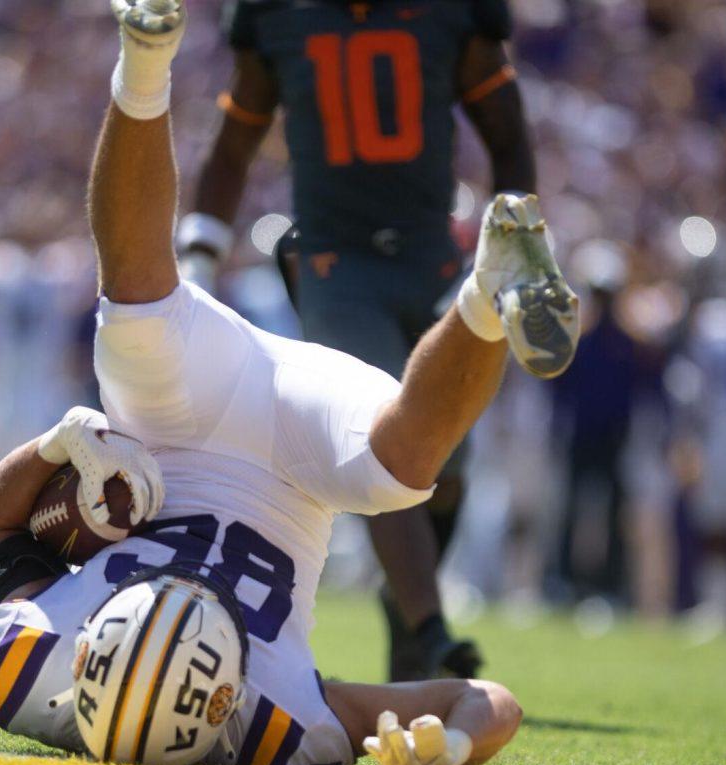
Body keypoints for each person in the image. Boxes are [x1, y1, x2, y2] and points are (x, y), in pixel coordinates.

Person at [0, 0, 577, 765]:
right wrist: (449, 747)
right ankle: (489, 295)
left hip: (178, 423)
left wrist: (56, 444)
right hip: (303, 456)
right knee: (398, 473)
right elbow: (487, 698)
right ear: (225, 704)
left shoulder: (21, 672)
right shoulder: (284, 729)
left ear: (88, 649)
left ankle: (144, 58)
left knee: (136, 320)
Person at [179, 0, 540, 681]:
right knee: (384, 431)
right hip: (333, 264)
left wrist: (516, 243)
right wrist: (198, 257)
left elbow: (510, 138)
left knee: (448, 470)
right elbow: (235, 141)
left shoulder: (454, 18)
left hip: (432, 259)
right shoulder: (277, 15)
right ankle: (432, 631)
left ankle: (402, 610)